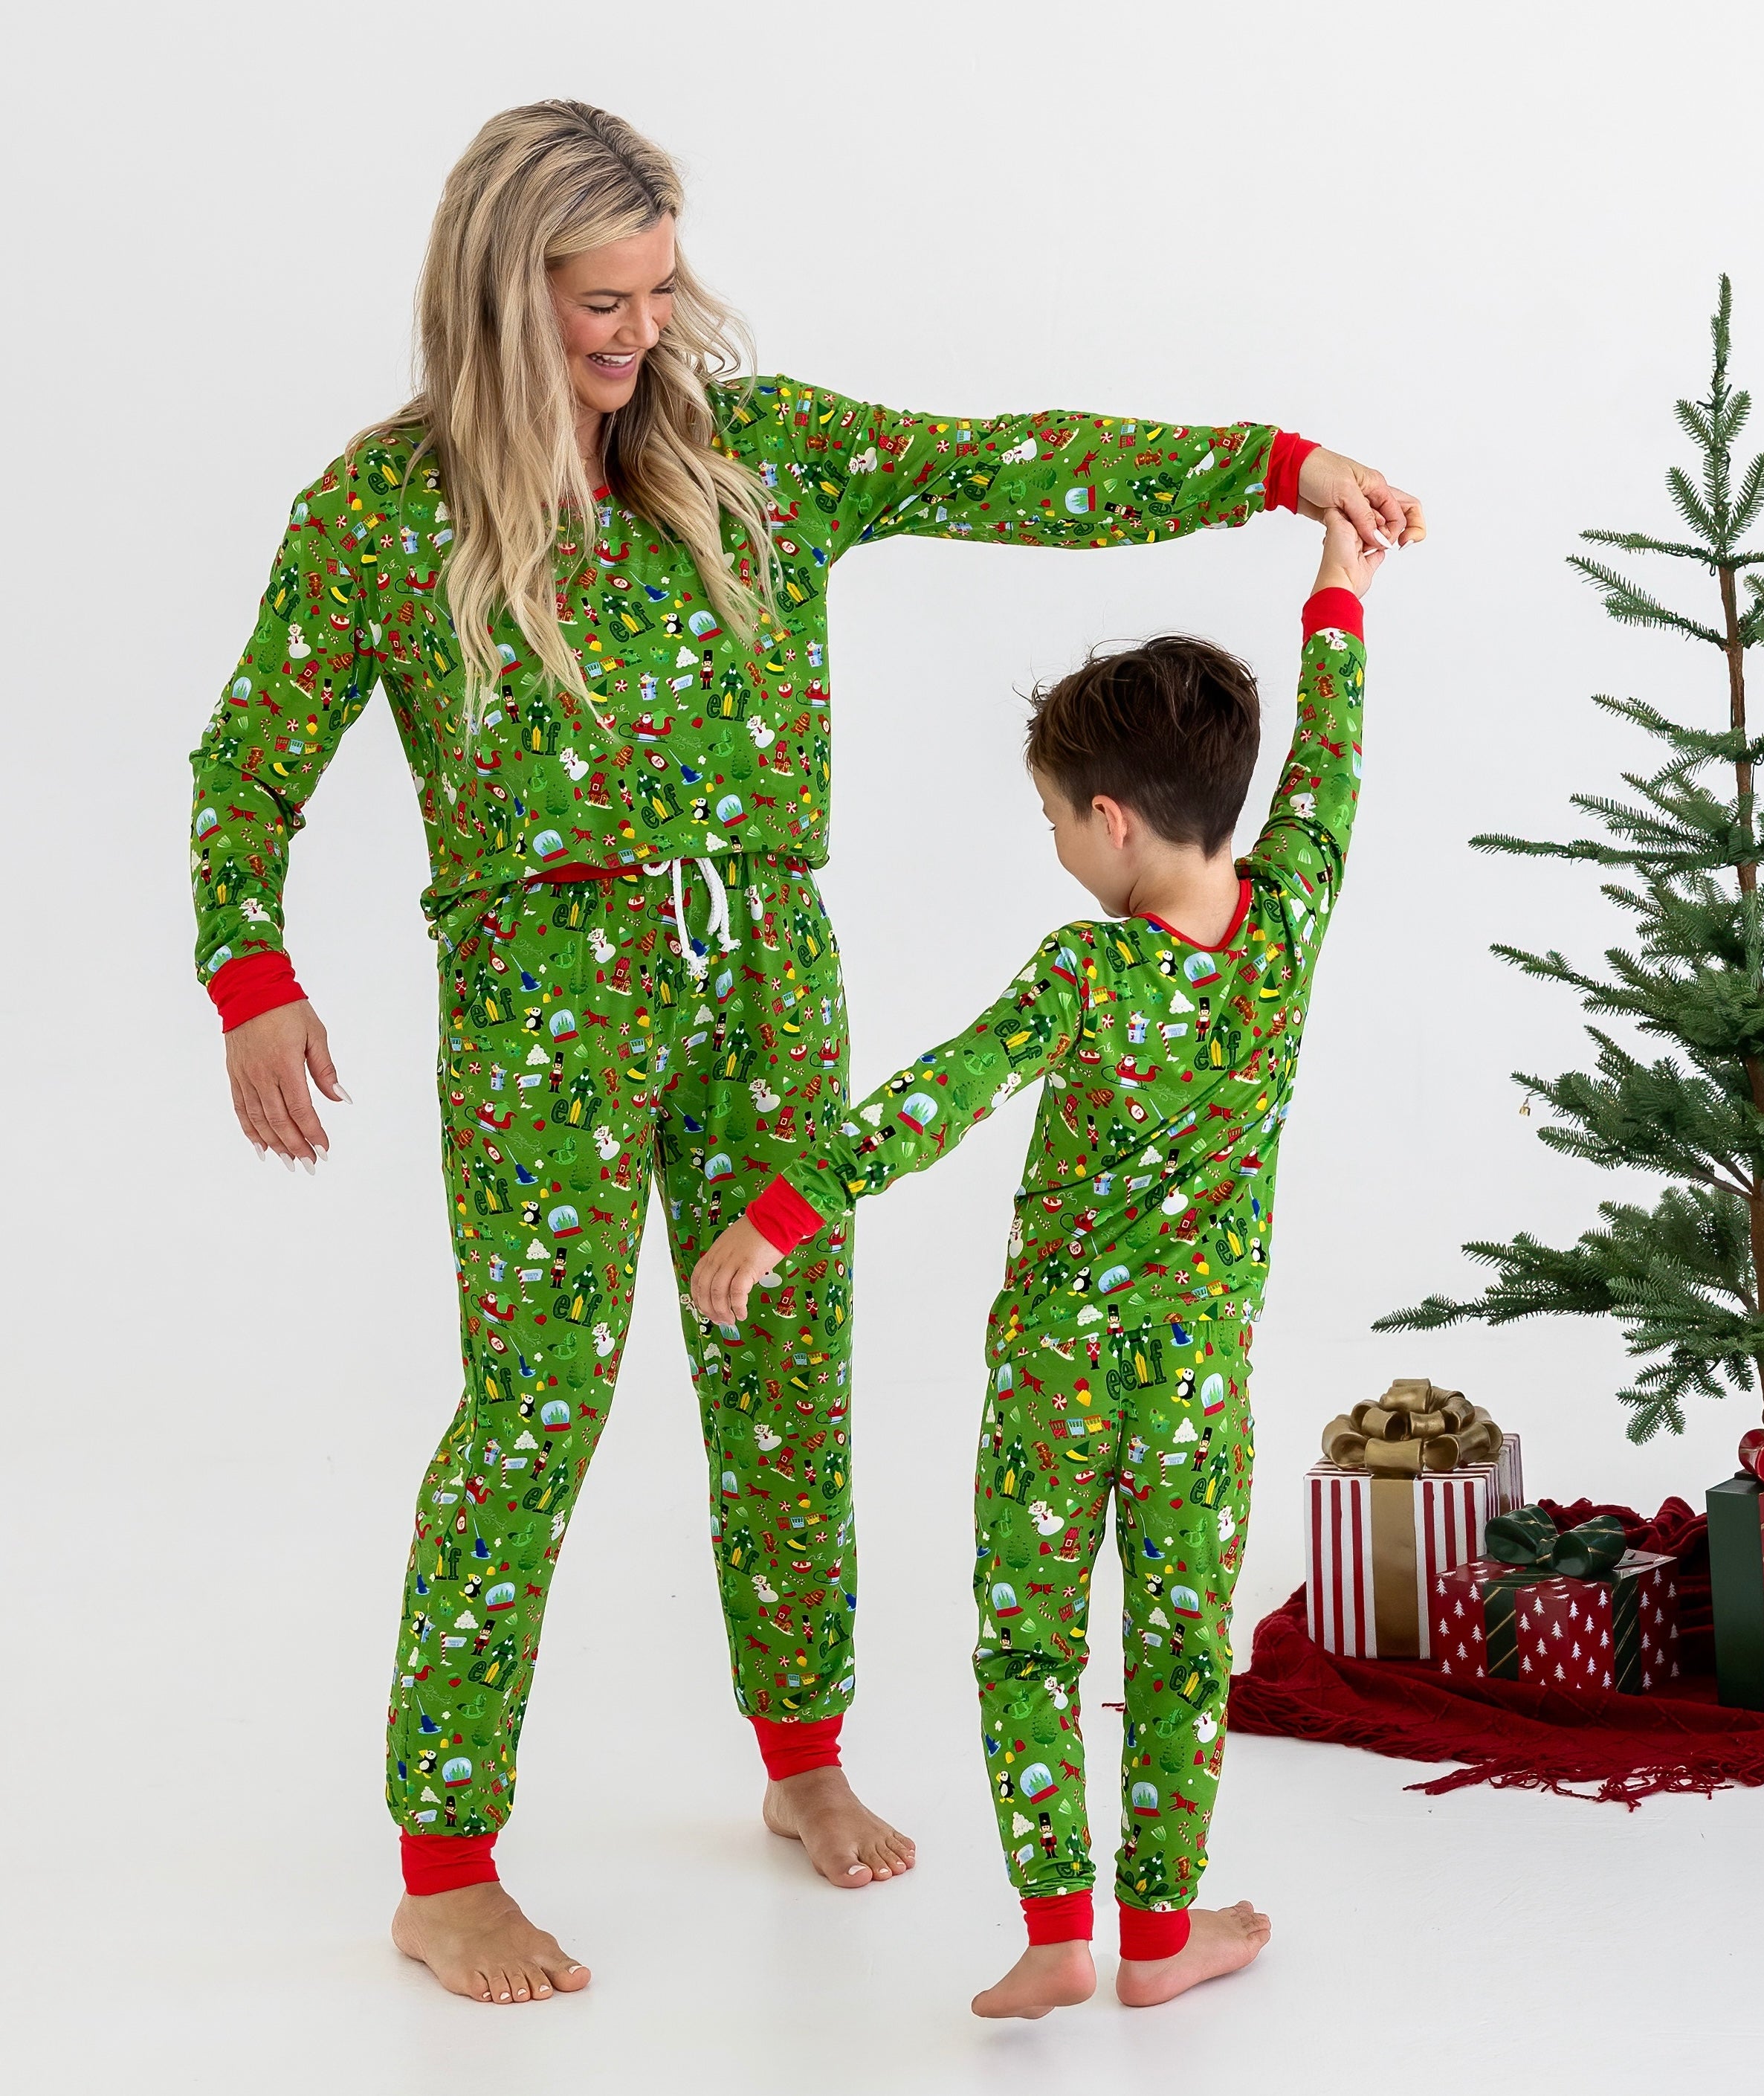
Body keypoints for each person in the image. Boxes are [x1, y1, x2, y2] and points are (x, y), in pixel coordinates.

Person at [188, 99, 1423, 2008]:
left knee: (787, 1375)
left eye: (659, 290)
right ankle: (445, 1867)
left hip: (765, 962)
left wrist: (1271, 470)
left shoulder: (758, 452)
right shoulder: (382, 511)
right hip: (541, 997)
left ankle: (801, 1757)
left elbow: (1008, 463)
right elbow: (246, 756)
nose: (640, 333)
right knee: (533, 1407)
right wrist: (251, 973)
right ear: (502, 293)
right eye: (601, 301)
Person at [692, 506, 1384, 2014]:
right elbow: (1328, 765)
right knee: (1181, 1649)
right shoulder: (1290, 920)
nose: (1059, 845)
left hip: (1054, 1379)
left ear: (1115, 818)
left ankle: (1059, 1929)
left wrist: (776, 1216)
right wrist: (1340, 590)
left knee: (1027, 1647)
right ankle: (1161, 1938)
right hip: (1196, 1384)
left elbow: (931, 1101)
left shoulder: (1085, 971)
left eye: (1059, 818)